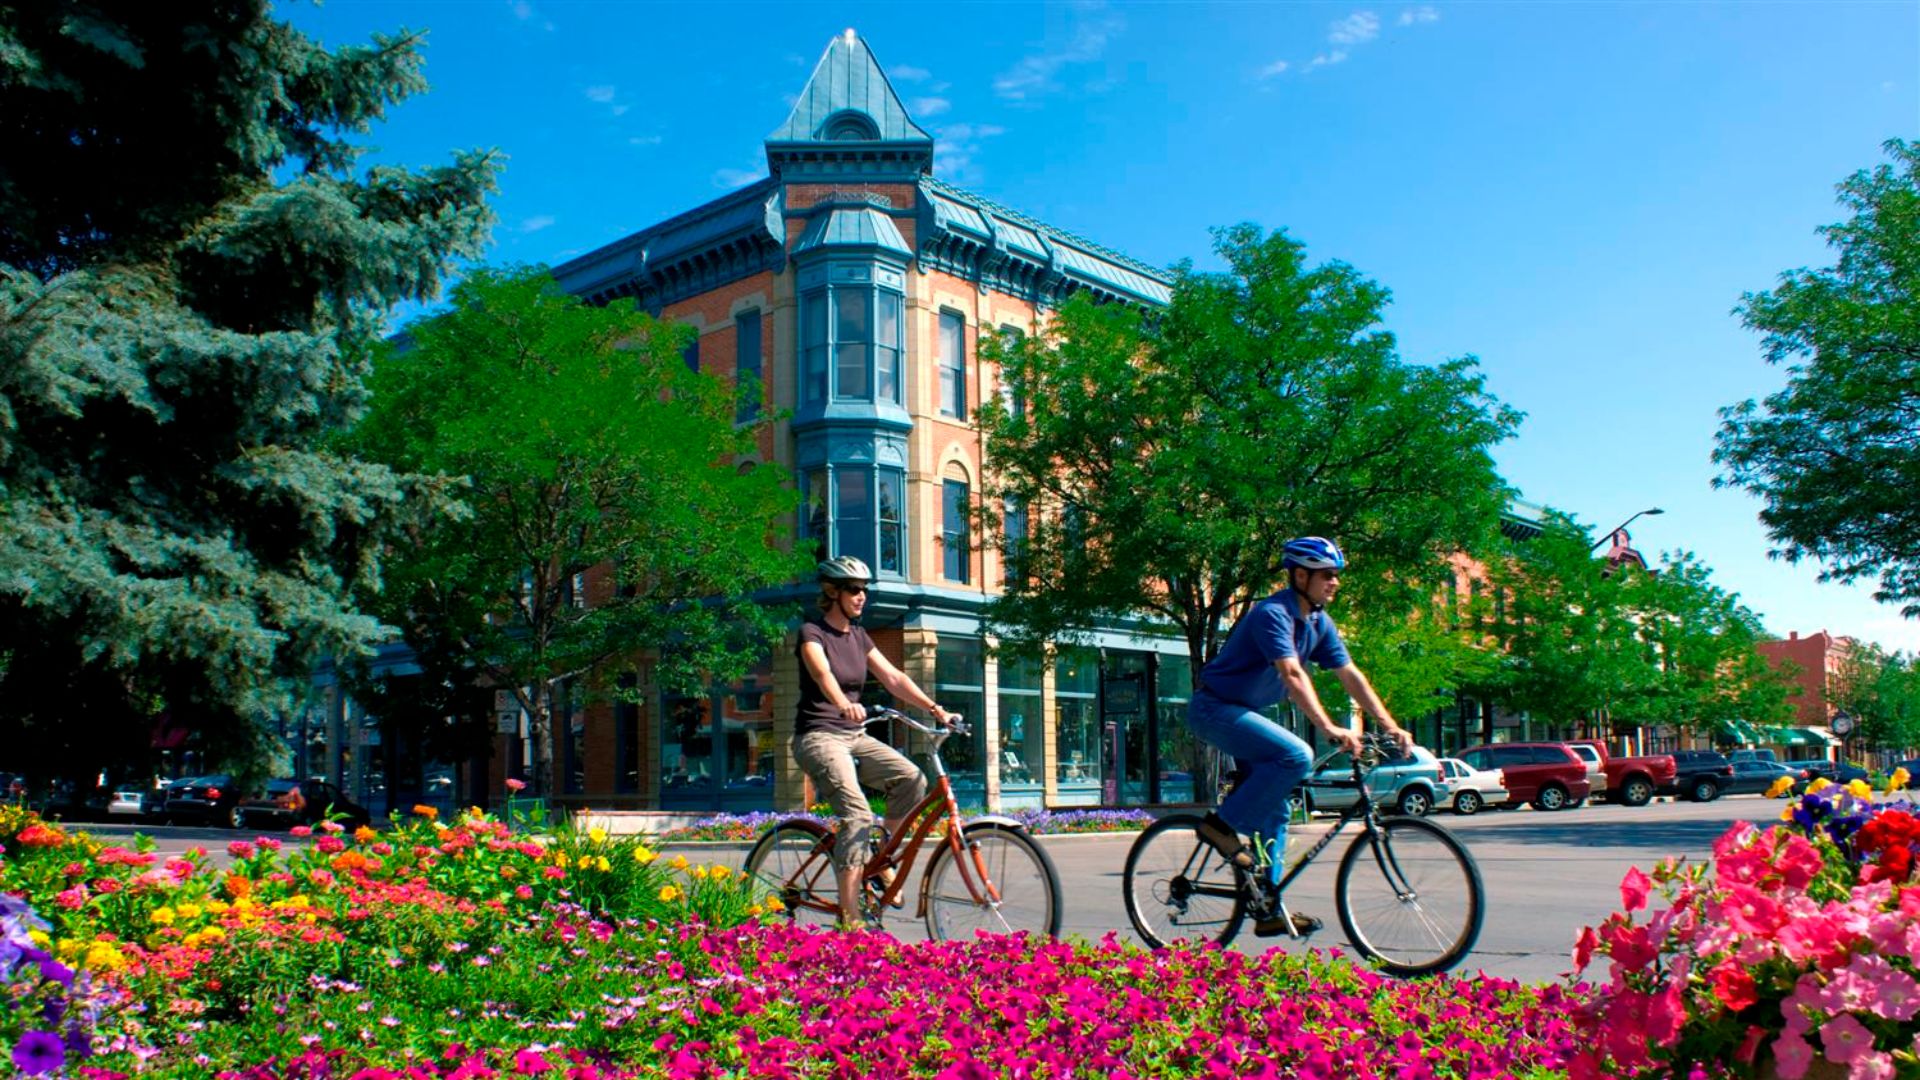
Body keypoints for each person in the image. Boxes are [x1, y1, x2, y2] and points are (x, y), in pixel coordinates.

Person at [1188, 536, 1416, 936]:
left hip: (1244, 712)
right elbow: (1291, 674)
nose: (1335, 582)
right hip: (1214, 709)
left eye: (1335, 575)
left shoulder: (1318, 623)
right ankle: (1220, 827)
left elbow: (1350, 675)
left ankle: (1267, 906)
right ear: (1300, 575)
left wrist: (1388, 723)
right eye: (1327, 575)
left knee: (1277, 811)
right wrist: (1328, 726)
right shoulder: (1271, 614)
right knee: (1296, 755)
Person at [791, 555, 958, 928]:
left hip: (854, 736)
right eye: (854, 589)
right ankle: (850, 919)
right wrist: (842, 704)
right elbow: (821, 673)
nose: (861, 596)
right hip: (819, 736)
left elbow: (894, 678)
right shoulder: (811, 633)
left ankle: (882, 860)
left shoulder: (859, 636)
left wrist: (935, 709)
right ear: (833, 593)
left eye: (864, 589)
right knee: (858, 815)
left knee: (911, 778)